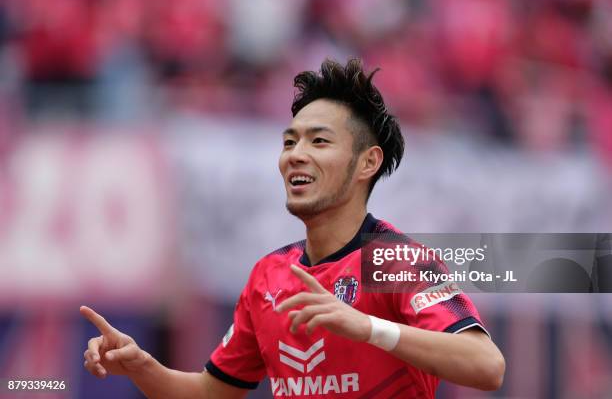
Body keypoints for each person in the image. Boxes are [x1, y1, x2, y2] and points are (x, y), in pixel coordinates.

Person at [81, 58, 505, 398]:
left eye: (318, 141)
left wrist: (367, 328)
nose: (295, 155)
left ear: (367, 163)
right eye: (289, 142)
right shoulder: (268, 276)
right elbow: (213, 392)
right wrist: (143, 367)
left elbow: (487, 366)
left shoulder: (394, 260)